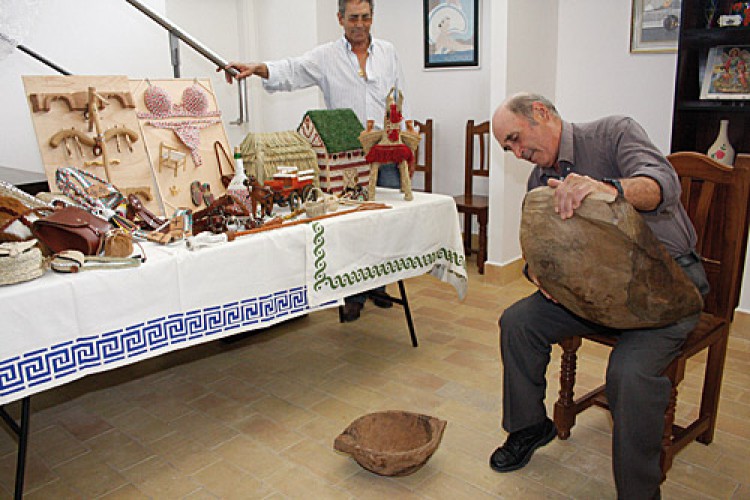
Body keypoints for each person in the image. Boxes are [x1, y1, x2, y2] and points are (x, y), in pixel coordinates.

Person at [489, 92, 709, 499]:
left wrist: (606, 188)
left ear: (541, 113)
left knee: (628, 373)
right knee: (518, 322)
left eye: (517, 139)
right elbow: (539, 249)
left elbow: (663, 185)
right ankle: (529, 426)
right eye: (509, 148)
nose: (517, 153)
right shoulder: (541, 179)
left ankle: (638, 492)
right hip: (591, 294)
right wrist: (538, 274)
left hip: (666, 289)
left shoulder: (613, 133)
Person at [221, 0, 409, 323]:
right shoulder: (326, 57)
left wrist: (405, 145)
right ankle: (352, 294)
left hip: (385, 154)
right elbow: (292, 70)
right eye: (353, 18)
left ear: (372, 17)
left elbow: (401, 98)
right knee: (348, 229)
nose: (360, 24)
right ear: (340, 19)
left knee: (384, 223)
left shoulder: (389, 52)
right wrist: (257, 68)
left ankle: (379, 284)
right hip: (344, 160)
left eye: (366, 17)